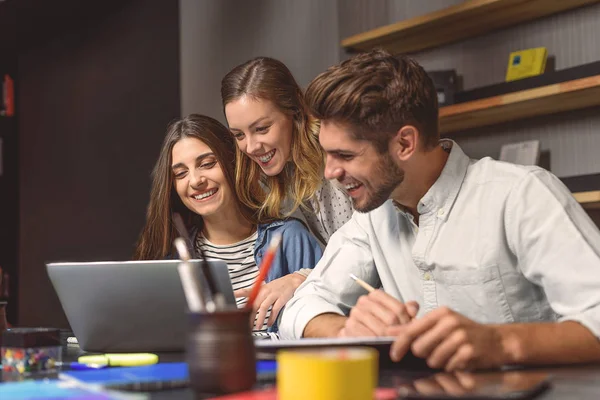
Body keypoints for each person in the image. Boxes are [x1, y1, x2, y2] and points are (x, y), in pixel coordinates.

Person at [280, 49, 600, 371]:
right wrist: (344, 331)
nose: (329, 173)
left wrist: (500, 342)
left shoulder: (521, 195)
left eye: (345, 156)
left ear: (405, 143)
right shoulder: (371, 216)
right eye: (327, 155)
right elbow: (301, 307)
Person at [134, 114, 323, 335]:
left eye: (207, 164)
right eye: (181, 173)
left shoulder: (290, 238)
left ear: (233, 162)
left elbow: (323, 323)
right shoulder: (175, 260)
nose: (195, 181)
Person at [221, 57, 354, 246]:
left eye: (261, 129)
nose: (250, 147)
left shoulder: (337, 154)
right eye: (239, 135)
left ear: (295, 110)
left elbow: (369, 248)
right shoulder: (292, 167)